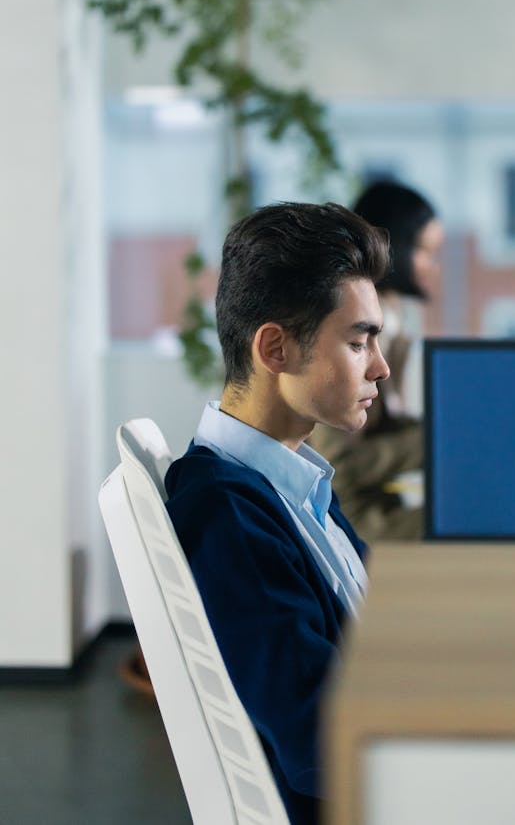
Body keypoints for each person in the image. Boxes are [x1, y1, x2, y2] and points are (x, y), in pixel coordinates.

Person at [164, 202, 391, 825]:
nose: (381, 367)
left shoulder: (292, 486)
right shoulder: (227, 514)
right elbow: (317, 740)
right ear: (275, 348)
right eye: (358, 341)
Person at [310, 180, 443, 541]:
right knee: (473, 526)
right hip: (346, 512)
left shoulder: (394, 325)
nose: (433, 268)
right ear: (395, 245)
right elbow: (342, 466)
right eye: (424, 252)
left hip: (376, 502)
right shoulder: (356, 330)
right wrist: (439, 442)